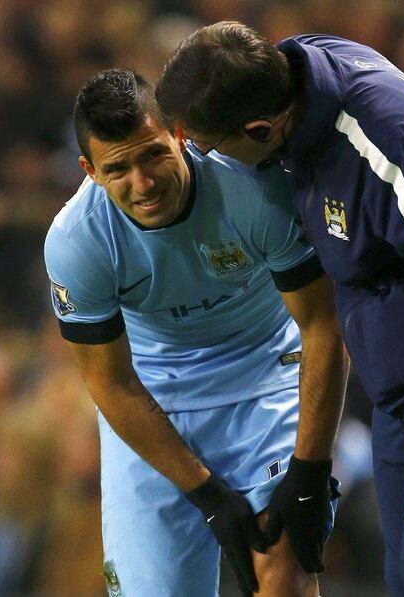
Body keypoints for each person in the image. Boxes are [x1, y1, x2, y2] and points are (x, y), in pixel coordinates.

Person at [157, 23, 404, 596]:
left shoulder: (386, 142)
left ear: (260, 128)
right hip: (400, 382)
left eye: (213, 144)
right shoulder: (295, 74)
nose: (208, 157)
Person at [43, 69, 344, 597]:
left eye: (152, 154)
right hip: (155, 396)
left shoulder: (254, 191)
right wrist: (207, 496)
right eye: (118, 169)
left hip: (267, 373)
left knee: (281, 572)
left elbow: (322, 324)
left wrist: (311, 474)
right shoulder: (77, 243)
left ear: (178, 133)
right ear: (89, 171)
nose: (144, 183)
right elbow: (111, 384)